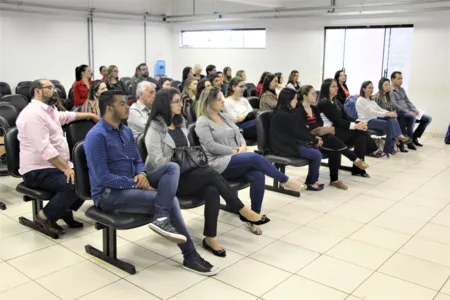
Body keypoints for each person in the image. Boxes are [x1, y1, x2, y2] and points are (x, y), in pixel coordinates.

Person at [84, 90, 219, 276]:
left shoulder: (125, 131)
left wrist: (141, 173)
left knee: (172, 167)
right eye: (122, 104)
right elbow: (103, 178)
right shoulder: (96, 136)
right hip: (109, 193)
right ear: (109, 108)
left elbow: (137, 159)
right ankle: (190, 256)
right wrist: (134, 182)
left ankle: (160, 217)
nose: (127, 107)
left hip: (132, 181)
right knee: (171, 201)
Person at [144, 88, 269, 256]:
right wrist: (183, 162)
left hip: (186, 172)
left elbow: (189, 150)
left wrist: (188, 162)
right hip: (167, 177)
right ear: (165, 105)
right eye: (176, 101)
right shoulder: (155, 129)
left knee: (212, 189)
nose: (181, 104)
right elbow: (158, 162)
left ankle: (210, 237)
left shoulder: (180, 124)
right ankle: (241, 209)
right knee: (210, 174)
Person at [196, 87, 301, 235]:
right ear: (209, 102)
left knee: (258, 174)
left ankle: (254, 217)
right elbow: (210, 146)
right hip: (218, 163)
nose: (223, 101)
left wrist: (243, 145)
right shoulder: (203, 122)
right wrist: (233, 151)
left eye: (222, 98)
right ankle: (284, 180)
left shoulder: (224, 116)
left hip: (235, 158)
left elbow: (238, 132)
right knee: (253, 157)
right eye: (219, 99)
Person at [17, 79, 100, 236]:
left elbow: (67, 116)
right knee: (74, 183)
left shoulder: (48, 111)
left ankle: (64, 210)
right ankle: (45, 217)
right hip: (37, 170)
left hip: (52, 167)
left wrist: (90, 115)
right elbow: (45, 149)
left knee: (89, 177)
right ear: (37, 91)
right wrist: (66, 168)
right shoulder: (32, 114)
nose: (54, 90)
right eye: (50, 87)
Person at [299, 85, 368, 190]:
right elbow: (302, 128)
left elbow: (319, 122)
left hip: (319, 136)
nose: (315, 96)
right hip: (308, 139)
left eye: (315, 93)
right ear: (305, 96)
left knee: (334, 145)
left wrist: (317, 130)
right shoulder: (299, 110)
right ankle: (353, 158)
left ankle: (334, 180)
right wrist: (314, 131)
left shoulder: (314, 108)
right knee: (332, 140)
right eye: (313, 94)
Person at [317, 78, 383, 178]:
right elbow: (337, 121)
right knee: (359, 131)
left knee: (360, 133)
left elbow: (346, 117)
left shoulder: (336, 102)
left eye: (336, 86)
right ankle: (372, 150)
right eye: (333, 86)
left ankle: (359, 168)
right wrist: (356, 126)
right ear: (326, 88)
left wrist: (358, 122)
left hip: (338, 132)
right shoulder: (324, 103)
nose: (336, 88)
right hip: (330, 134)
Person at [270, 88, 324, 191]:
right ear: (287, 100)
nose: (297, 101)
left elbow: (301, 128)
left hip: (290, 142)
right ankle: (311, 182)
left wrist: (313, 138)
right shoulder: (283, 114)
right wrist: (314, 140)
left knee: (315, 150)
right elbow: (297, 132)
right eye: (294, 99)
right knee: (316, 154)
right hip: (283, 146)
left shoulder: (289, 112)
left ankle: (313, 179)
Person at [356, 81, 410, 155]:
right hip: (366, 121)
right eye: (369, 88)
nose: (371, 90)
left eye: (372, 88)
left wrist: (390, 113)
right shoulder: (361, 100)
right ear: (363, 89)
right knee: (390, 124)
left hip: (374, 119)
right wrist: (387, 114)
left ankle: (397, 137)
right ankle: (391, 145)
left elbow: (379, 109)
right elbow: (372, 112)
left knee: (392, 119)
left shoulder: (370, 99)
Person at [390, 71, 432, 147]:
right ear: (392, 79)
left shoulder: (402, 89)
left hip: (409, 111)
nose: (401, 80)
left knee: (428, 119)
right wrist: (408, 112)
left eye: (401, 78)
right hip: (401, 113)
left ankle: (415, 137)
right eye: (399, 78)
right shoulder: (390, 91)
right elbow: (394, 105)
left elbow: (408, 101)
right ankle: (409, 140)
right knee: (412, 117)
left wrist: (415, 109)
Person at [373, 77, 411, 152]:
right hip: (379, 117)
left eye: (388, 85)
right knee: (393, 120)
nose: (388, 87)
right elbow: (376, 111)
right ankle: (398, 137)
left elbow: (393, 107)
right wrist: (390, 114)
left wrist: (393, 112)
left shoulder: (389, 95)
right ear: (381, 86)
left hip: (388, 116)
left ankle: (393, 144)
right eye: (385, 85)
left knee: (394, 120)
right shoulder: (376, 97)